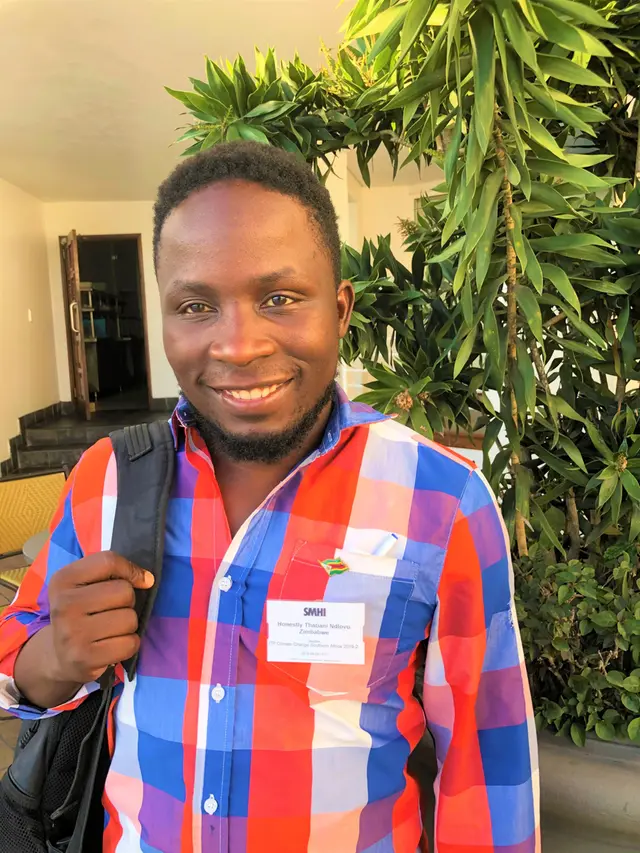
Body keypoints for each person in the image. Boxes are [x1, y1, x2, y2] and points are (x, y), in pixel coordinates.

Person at [0, 141, 540, 853]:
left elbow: (487, 761)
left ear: (340, 309)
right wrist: (55, 658)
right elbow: (18, 657)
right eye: (196, 305)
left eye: (279, 299)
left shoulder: (441, 500)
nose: (239, 345)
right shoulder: (108, 477)